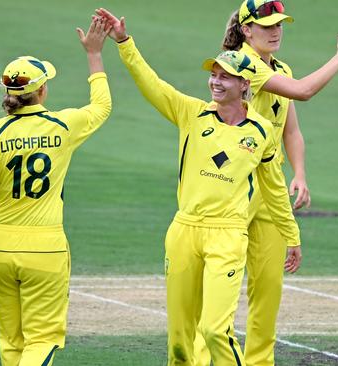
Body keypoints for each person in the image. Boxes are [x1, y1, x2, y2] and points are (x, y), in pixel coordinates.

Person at [96, 8, 302, 365]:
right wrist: (124, 43)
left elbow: (273, 189)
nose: (217, 82)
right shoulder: (191, 113)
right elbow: (152, 83)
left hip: (227, 235)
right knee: (179, 343)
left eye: (227, 77)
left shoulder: (261, 133)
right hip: (184, 232)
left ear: (245, 86)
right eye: (214, 75)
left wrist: (292, 235)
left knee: (214, 332)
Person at [190, 2, 338, 365]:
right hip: (233, 186)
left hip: (269, 188)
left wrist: (299, 173)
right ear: (247, 30)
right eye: (266, 25)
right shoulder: (240, 63)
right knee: (220, 288)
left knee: (268, 289)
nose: (275, 30)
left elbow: (291, 129)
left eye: (279, 24)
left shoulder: (280, 68)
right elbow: (303, 91)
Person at [0, 18, 112, 366]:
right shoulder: (64, 125)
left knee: (11, 341)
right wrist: (94, 55)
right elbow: (102, 107)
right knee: (43, 340)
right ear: (43, 90)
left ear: (7, 93)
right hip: (44, 249)